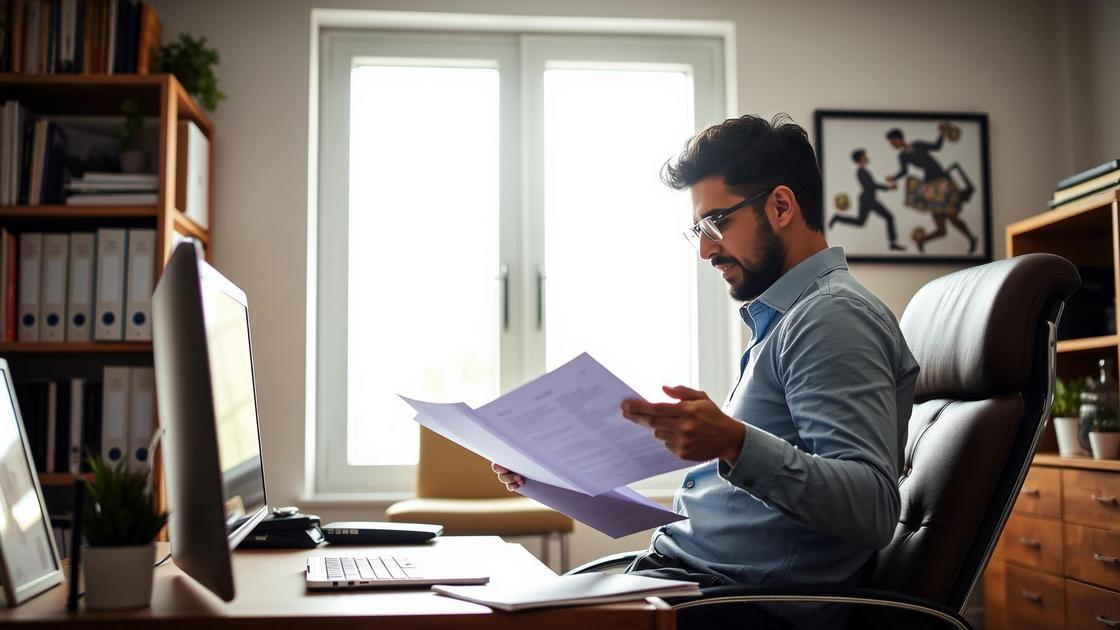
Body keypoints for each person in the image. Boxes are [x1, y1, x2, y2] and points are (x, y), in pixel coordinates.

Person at [493, 114, 919, 629]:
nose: (704, 249)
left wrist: (734, 441)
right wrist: (559, 481)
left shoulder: (831, 317)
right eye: (698, 229)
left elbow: (872, 508)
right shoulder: (786, 319)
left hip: (740, 605)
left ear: (781, 206)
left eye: (717, 223)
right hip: (693, 579)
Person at [885, 126, 978, 253]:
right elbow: (904, 171)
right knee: (941, 226)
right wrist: (894, 178)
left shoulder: (918, 145)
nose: (892, 144)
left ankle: (971, 238)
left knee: (951, 216)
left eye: (892, 141)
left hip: (941, 181)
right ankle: (923, 241)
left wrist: (942, 134)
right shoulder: (902, 156)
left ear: (897, 139)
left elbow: (936, 146)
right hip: (930, 185)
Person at [828, 149, 904, 251]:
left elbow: (871, 185)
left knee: (863, 221)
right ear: (860, 159)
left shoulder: (864, 171)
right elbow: (870, 186)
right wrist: (888, 187)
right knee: (886, 217)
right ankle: (893, 243)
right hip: (867, 200)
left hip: (870, 199)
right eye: (865, 156)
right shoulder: (861, 172)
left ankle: (893, 243)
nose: (867, 157)